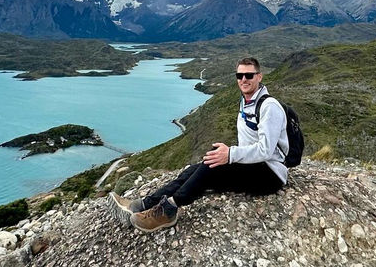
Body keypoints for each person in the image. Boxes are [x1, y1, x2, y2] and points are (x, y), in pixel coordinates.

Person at [106, 57, 289, 232]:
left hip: (270, 174)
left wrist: (231, 155)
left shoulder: (268, 106)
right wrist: (228, 156)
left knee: (211, 167)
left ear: (259, 76)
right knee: (194, 169)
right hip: (252, 166)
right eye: (239, 75)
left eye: (249, 75)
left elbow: (266, 150)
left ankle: (169, 210)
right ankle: (145, 203)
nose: (243, 80)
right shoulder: (247, 102)